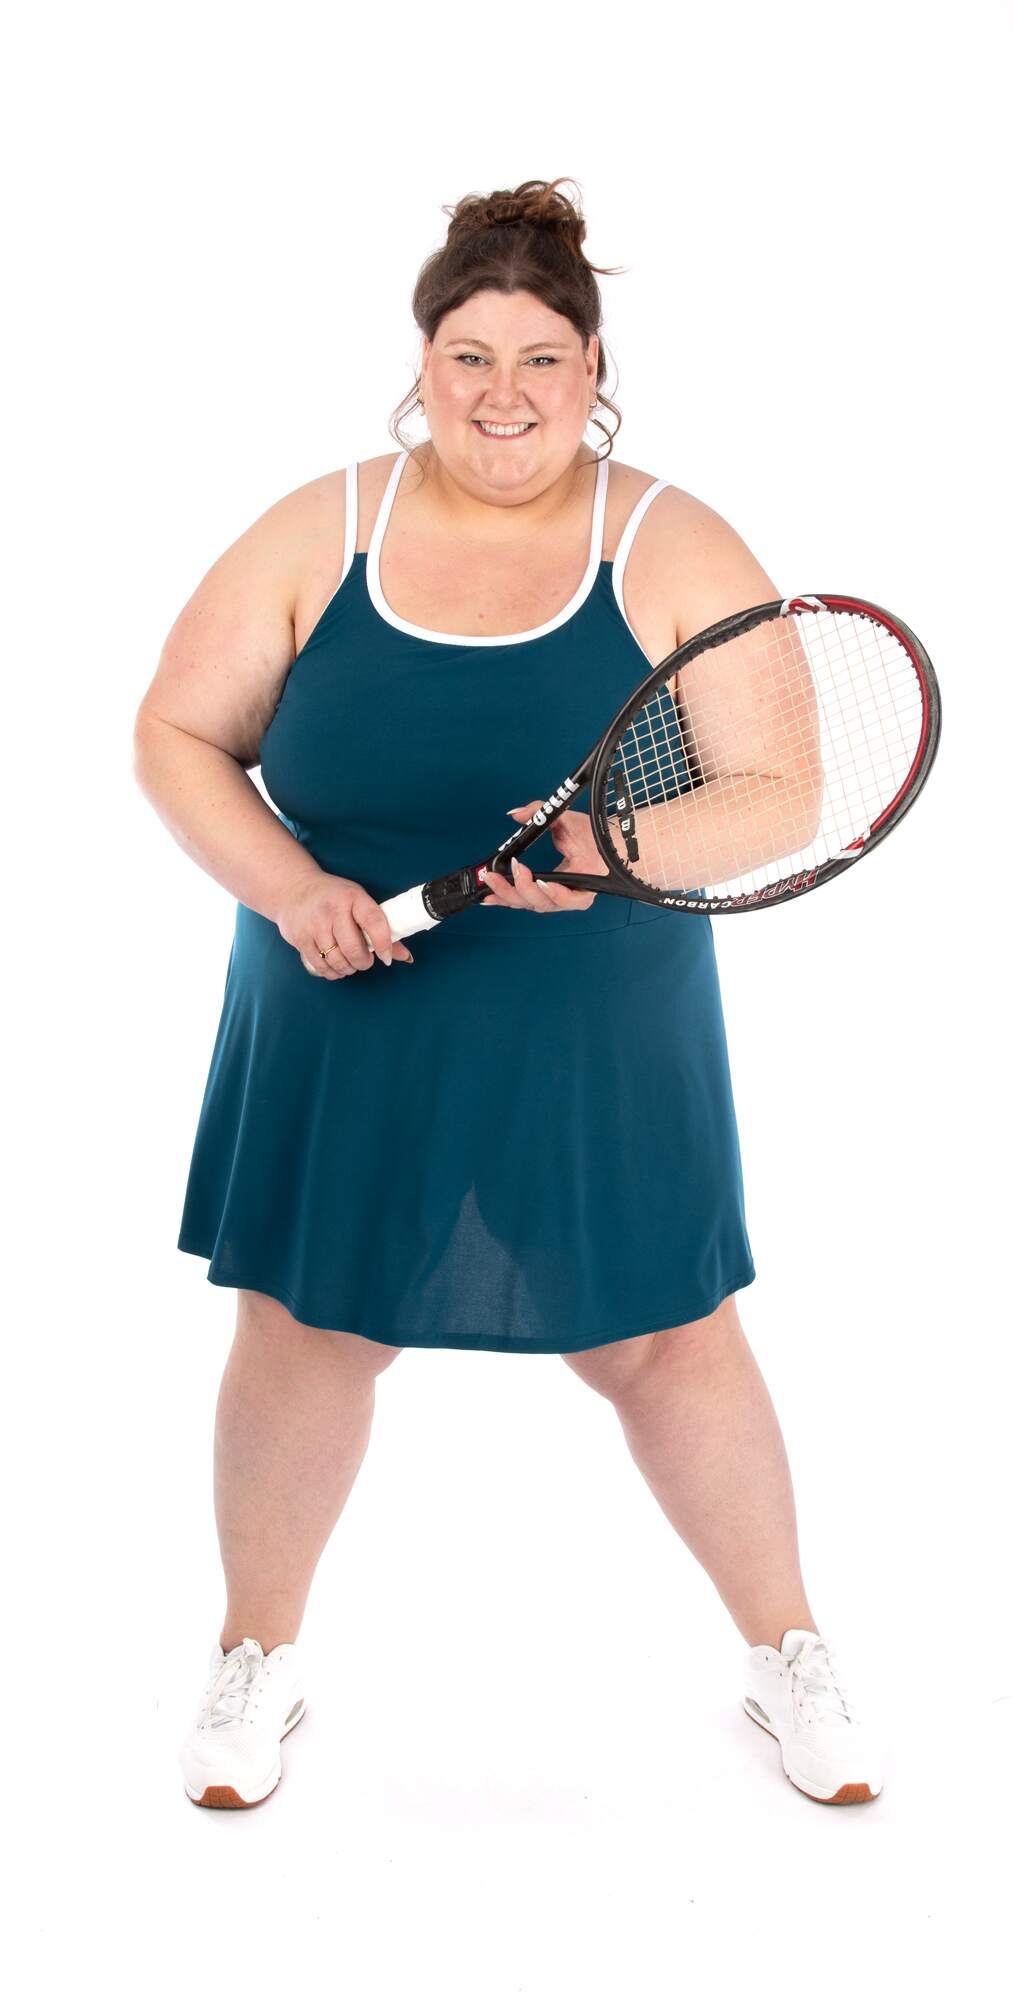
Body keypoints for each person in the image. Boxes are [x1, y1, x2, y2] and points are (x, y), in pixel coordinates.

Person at [133, 177, 886, 1811]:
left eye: (540, 357)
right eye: (469, 355)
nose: (503, 393)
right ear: (422, 361)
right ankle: (254, 1658)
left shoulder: (672, 540)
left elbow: (779, 788)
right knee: (305, 1327)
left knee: (668, 1338)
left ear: (591, 365)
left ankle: (788, 1653)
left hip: (596, 1020)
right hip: (341, 997)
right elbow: (176, 736)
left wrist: (611, 845)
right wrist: (292, 891)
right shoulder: (318, 528)